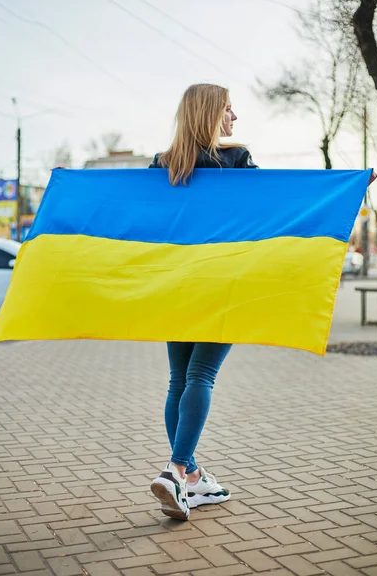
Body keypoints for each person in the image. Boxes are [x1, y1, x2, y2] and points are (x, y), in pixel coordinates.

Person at [148, 83, 258, 520]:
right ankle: (176, 470)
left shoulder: (161, 165)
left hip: (177, 284)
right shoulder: (237, 160)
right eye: (229, 109)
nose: (235, 118)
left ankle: (193, 478)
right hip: (222, 282)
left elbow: (141, 216)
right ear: (211, 113)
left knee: (180, 380)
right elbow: (277, 206)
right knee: (202, 376)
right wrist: (348, 186)